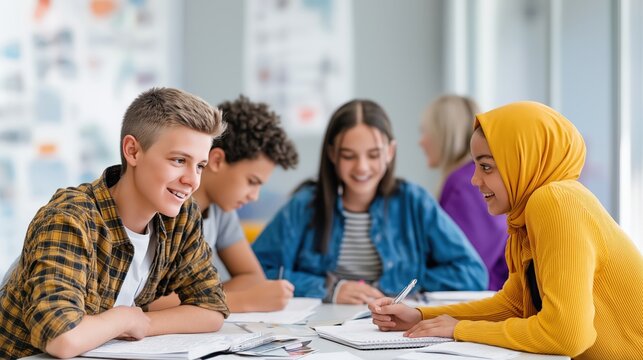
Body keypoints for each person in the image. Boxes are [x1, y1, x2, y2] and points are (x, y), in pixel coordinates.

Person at [370, 101, 643, 359]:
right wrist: (422, 316)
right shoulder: (526, 216)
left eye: (486, 167)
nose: (475, 180)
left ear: (523, 160)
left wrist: (460, 330)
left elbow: (568, 334)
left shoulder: (555, 201)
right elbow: (513, 305)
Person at [0, 87, 230, 359]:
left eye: (200, 166)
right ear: (132, 151)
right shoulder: (70, 217)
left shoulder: (180, 216)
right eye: (179, 160)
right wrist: (122, 320)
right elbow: (61, 338)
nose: (192, 180)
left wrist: (138, 323)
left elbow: (211, 309)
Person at [252, 99, 488, 304]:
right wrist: (330, 289)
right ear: (333, 154)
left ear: (390, 152)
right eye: (348, 156)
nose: (362, 167)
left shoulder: (415, 202)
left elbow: (472, 273)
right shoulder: (304, 205)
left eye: (373, 155)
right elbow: (255, 272)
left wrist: (399, 285)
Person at [148, 95, 299, 313]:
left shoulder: (221, 209)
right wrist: (239, 301)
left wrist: (201, 297)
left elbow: (251, 277)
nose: (254, 196)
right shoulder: (167, 205)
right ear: (217, 160)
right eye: (251, 182)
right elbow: (146, 300)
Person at [419, 94, 508, 290]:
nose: (421, 142)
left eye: (425, 132)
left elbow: (467, 267)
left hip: (484, 298)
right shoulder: (466, 180)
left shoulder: (465, 185)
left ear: (443, 135)